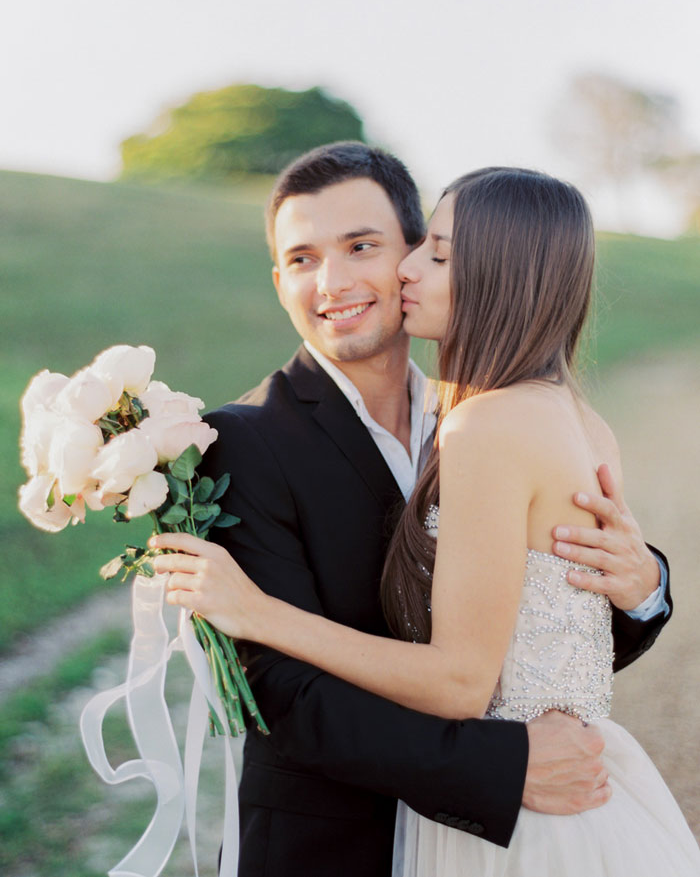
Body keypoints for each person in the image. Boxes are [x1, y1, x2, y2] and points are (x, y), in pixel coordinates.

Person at [153, 148, 672, 877]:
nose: (332, 282)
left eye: (361, 246)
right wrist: (500, 765)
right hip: (333, 849)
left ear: (407, 253)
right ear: (279, 282)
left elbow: (548, 641)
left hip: (518, 831)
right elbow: (287, 697)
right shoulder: (242, 439)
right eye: (301, 258)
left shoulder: (478, 415)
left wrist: (643, 585)